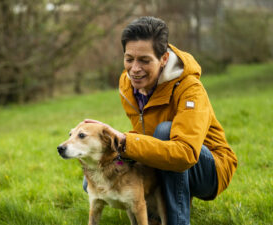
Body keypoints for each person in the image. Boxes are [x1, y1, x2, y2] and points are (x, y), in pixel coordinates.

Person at [83, 16, 238, 225]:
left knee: (165, 132)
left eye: (144, 60)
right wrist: (111, 144)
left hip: (209, 169)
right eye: (129, 59)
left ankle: (177, 220)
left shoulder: (190, 89)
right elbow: (144, 133)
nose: (135, 69)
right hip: (163, 153)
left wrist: (126, 142)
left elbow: (185, 154)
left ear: (164, 58)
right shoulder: (127, 84)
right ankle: (156, 212)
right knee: (94, 177)